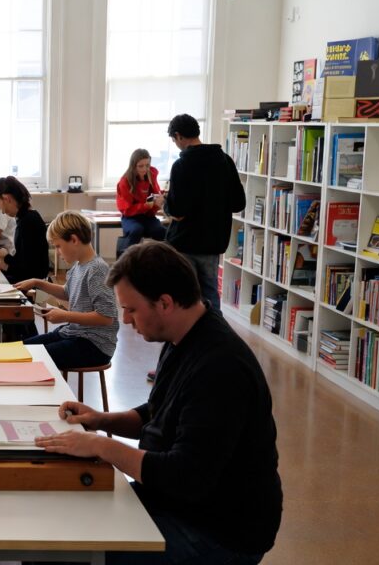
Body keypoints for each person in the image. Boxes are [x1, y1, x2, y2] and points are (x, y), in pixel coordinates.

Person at [34, 241, 282, 565]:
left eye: (131, 309)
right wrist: (101, 420)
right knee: (53, 526)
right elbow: (158, 412)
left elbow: (185, 476)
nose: (124, 319)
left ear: (165, 303)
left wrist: (100, 446)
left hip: (218, 531)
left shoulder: (220, 368)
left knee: (58, 551)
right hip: (177, 503)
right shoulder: (185, 336)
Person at [163, 114, 246, 315]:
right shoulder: (225, 161)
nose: (176, 144)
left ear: (179, 136)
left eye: (174, 140)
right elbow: (238, 203)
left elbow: (178, 212)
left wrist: (164, 203)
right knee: (210, 294)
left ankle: (186, 334)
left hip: (185, 242)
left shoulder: (181, 165)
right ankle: (213, 332)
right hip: (213, 242)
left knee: (183, 296)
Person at [14, 211, 118, 370]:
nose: (57, 252)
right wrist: (37, 282)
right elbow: (67, 292)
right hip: (75, 334)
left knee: (31, 358)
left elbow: (106, 318)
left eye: (58, 246)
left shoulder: (97, 270)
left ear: (74, 240)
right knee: (21, 350)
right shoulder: (78, 266)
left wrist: (65, 316)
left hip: (95, 345)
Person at [0, 176, 49, 340]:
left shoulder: (27, 222)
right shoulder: (26, 217)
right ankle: (14, 334)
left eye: (0, 206)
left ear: (7, 198)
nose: (2, 211)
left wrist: (6, 259)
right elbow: (24, 260)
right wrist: (4, 257)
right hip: (29, 273)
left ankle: (21, 337)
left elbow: (27, 267)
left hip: (33, 277)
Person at [116, 148, 166, 251]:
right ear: (133, 166)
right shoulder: (125, 181)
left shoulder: (151, 175)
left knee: (161, 231)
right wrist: (146, 205)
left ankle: (164, 258)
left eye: (147, 165)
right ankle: (126, 258)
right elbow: (127, 210)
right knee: (136, 230)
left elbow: (154, 197)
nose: (144, 169)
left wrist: (158, 202)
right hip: (130, 217)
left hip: (148, 216)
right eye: (140, 166)